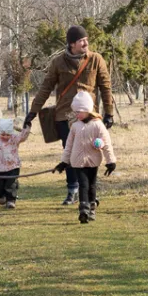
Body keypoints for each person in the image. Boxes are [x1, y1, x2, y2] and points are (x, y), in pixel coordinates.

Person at [25, 24, 115, 205]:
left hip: (89, 116)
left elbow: (106, 87)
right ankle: (72, 189)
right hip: (65, 116)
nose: (86, 43)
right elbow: (46, 88)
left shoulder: (96, 59)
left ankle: (89, 192)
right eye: (82, 40)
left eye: (87, 40)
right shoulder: (58, 62)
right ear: (72, 43)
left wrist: (109, 113)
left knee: (90, 153)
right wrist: (33, 111)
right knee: (72, 152)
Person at [52, 91, 116, 223]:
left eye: (79, 111)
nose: (77, 114)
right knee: (83, 185)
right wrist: (63, 162)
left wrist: (111, 161)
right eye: (75, 112)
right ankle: (83, 210)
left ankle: (92, 207)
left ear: (88, 110)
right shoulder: (75, 126)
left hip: (93, 162)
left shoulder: (98, 125)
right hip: (77, 162)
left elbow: (107, 144)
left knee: (91, 185)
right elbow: (68, 146)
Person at [0, 118, 30, 209]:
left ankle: (10, 201)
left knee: (11, 184)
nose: (5, 137)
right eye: (3, 134)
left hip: (13, 166)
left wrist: (27, 127)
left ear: (11, 133)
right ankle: (2, 196)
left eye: (8, 135)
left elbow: (23, 136)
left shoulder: (14, 138)